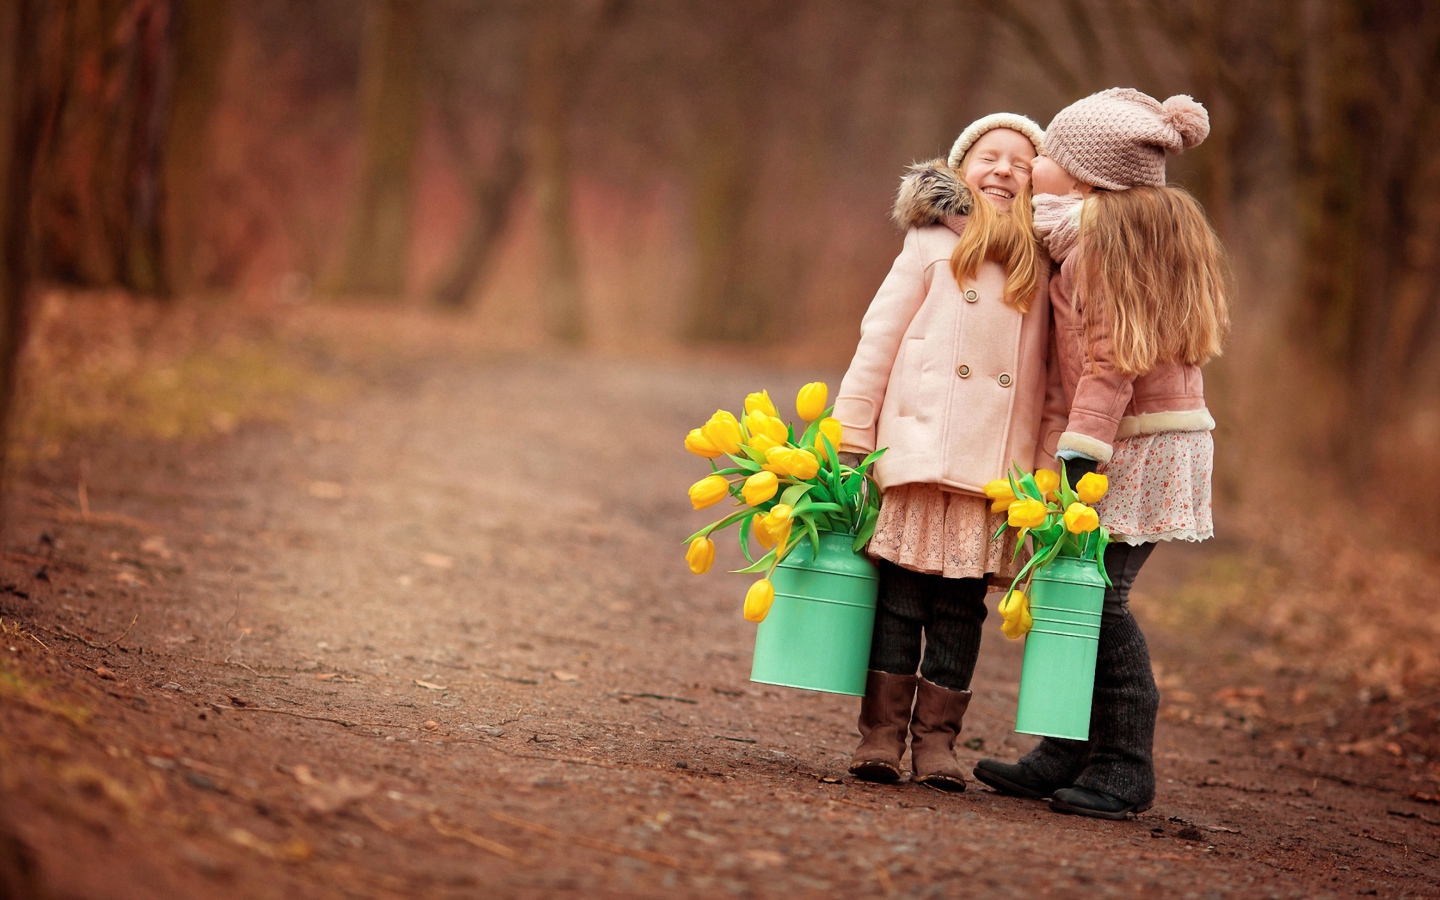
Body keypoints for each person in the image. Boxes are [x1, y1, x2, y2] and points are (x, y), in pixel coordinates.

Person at [973, 88, 1231, 819]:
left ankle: (1124, 763)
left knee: (1102, 599)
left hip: (1132, 445)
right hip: (1131, 436)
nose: (1036, 163)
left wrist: (1078, 454)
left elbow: (1111, 360)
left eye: (1049, 154)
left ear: (1085, 180)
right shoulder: (1088, 235)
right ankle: (1067, 749)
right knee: (1073, 592)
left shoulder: (1098, 245)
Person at [833, 113, 1063, 790]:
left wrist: (1042, 471)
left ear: (1034, 185)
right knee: (900, 601)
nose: (1002, 170)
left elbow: (1045, 383)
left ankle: (938, 744)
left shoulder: (1037, 262)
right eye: (989, 157)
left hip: (988, 473)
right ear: (961, 170)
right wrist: (853, 430)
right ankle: (880, 736)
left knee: (961, 611)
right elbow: (880, 336)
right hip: (917, 454)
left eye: (1020, 165)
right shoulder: (928, 242)